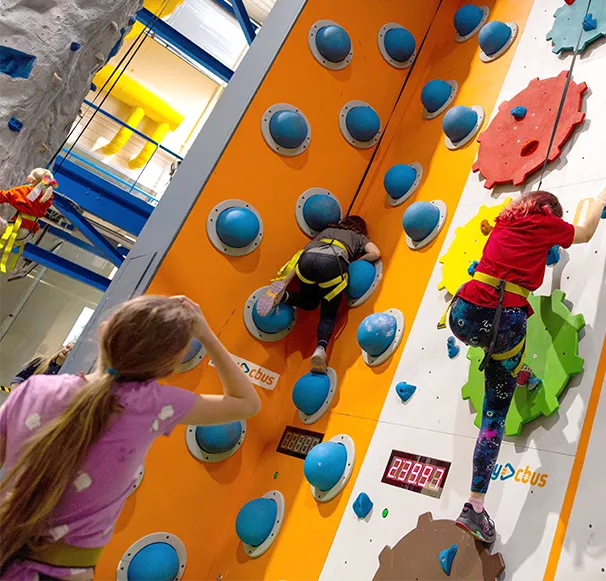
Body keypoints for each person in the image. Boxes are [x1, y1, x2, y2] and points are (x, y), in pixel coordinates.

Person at [0, 295, 261, 580]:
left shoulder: (33, 389)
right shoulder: (152, 405)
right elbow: (247, 403)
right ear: (168, 368)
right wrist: (206, 335)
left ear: (104, 330)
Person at [444, 186, 606, 543]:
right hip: (502, 316)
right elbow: (583, 233)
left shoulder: (505, 221)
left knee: (502, 360)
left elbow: (521, 256)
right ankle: (474, 506)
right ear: (550, 210)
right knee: (493, 417)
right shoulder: (546, 221)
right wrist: (599, 204)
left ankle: (515, 369)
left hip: (462, 313)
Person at [255, 216, 381, 373]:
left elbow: (301, 254)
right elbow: (375, 253)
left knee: (310, 302)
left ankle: (283, 296)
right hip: (333, 264)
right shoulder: (358, 237)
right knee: (328, 314)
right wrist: (356, 262)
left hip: (306, 262)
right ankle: (321, 349)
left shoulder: (327, 230)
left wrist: (285, 281)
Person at [10, 342, 75, 387]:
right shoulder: (41, 361)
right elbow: (18, 379)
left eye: (70, 351)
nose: (66, 351)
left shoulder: (66, 374)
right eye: (67, 347)